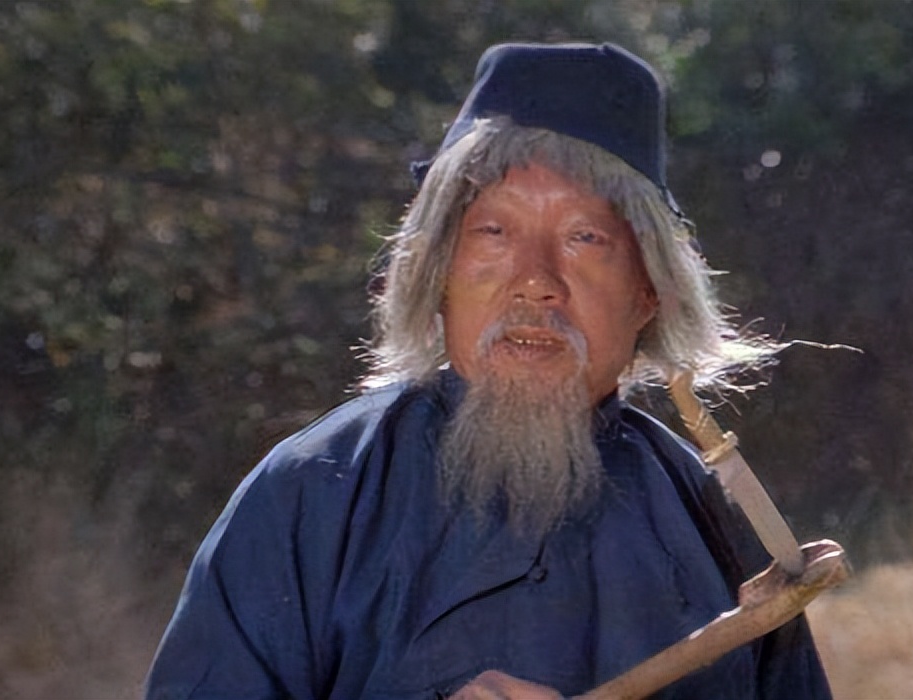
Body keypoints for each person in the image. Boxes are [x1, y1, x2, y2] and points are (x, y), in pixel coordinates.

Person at [145, 42, 832, 699]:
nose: (536, 282)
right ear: (437, 273)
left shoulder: (712, 521)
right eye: (494, 232)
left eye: (584, 237)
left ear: (649, 292)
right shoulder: (313, 494)